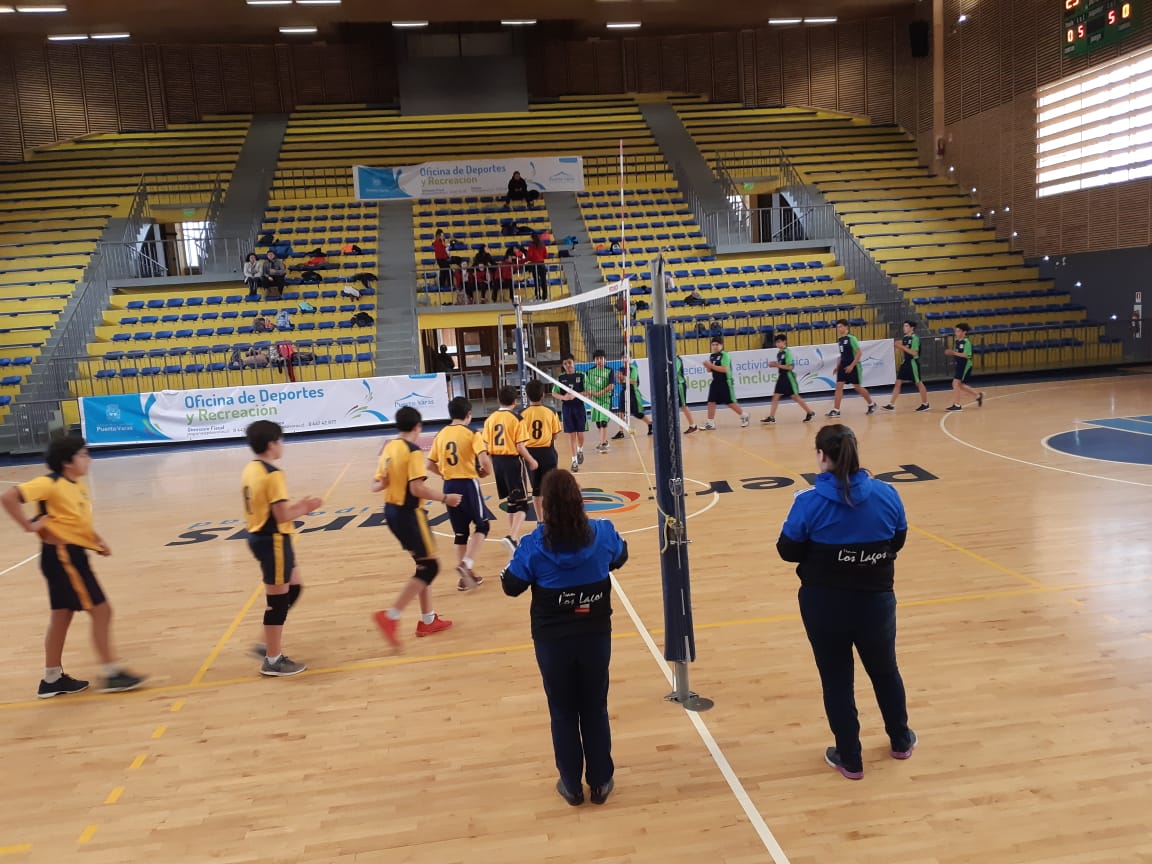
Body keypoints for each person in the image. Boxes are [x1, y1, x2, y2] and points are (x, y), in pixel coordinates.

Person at [776, 424, 916, 780]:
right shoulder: (887, 494)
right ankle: (901, 740)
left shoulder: (808, 502)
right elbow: (897, 541)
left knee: (837, 680)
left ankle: (850, 758)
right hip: (876, 602)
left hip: (824, 605)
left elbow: (787, 551)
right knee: (885, 671)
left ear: (821, 455)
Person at [500, 469, 628, 807]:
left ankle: (571, 784)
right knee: (594, 707)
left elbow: (511, 586)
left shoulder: (534, 545)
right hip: (594, 636)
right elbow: (620, 556)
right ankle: (600, 781)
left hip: (553, 642)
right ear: (579, 500)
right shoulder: (602, 533)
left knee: (562, 710)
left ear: (546, 505)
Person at [1, 436, 145, 698]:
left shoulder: (76, 485)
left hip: (69, 555)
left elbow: (75, 522)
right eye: (83, 455)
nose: (89, 459)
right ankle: (112, 674)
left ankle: (52, 680)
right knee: (102, 611)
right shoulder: (50, 483)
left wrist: (96, 540)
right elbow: (9, 496)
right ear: (67, 462)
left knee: (62, 615)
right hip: (63, 558)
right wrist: (28, 525)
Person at [372, 406, 463, 648]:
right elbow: (417, 489)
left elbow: (375, 485)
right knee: (430, 567)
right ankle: (392, 615)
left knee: (423, 564)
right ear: (417, 427)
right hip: (409, 514)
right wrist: (446, 498)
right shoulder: (412, 451)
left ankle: (428, 619)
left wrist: (389, 481)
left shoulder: (390, 447)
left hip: (391, 512)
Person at [241, 421, 323, 676]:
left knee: (294, 588)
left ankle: (266, 643)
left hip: (261, 537)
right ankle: (273, 660)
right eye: (280, 441)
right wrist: (306, 508)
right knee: (276, 603)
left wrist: (296, 506)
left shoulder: (251, 468)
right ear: (271, 444)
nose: (282, 445)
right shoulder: (274, 474)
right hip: (273, 541)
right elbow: (281, 515)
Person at [427, 396, 494, 591]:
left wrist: (444, 474)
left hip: (449, 487)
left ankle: (465, 579)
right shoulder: (471, 433)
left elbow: (429, 464)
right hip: (468, 484)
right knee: (483, 526)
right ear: (468, 414)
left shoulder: (440, 434)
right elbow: (485, 460)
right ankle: (467, 564)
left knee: (460, 533)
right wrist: (486, 472)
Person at [483, 386, 537, 553]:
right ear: (515, 401)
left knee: (511, 502)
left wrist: (488, 464)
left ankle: (513, 537)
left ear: (498, 400)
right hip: (512, 462)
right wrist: (531, 460)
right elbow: (520, 446)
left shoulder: (490, 419)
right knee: (522, 505)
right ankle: (512, 537)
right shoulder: (517, 419)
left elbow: (485, 445)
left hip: (497, 462)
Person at [520, 379, 562, 520]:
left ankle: (539, 520)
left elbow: (519, 437)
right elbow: (555, 434)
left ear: (527, 395)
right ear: (543, 395)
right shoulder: (551, 411)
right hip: (548, 453)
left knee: (536, 490)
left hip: (530, 454)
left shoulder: (521, 414)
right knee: (551, 488)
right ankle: (552, 518)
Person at [761, 333, 816, 424]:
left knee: (795, 397)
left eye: (779, 342)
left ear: (784, 342)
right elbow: (781, 364)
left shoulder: (787, 352)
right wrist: (775, 364)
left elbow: (790, 367)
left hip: (788, 377)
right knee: (776, 396)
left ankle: (809, 412)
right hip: (781, 376)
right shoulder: (779, 353)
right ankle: (771, 417)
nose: (777, 344)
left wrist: (776, 365)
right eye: (776, 342)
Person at [827, 319, 876, 417]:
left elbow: (859, 353)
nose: (838, 329)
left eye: (840, 326)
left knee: (857, 387)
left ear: (846, 327)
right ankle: (836, 410)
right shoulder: (840, 340)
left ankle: (871, 404)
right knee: (839, 387)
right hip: (843, 366)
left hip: (853, 366)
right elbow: (842, 355)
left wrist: (852, 366)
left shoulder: (852, 338)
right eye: (837, 327)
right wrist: (837, 366)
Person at [701, 337, 750, 429]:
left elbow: (725, 369)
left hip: (725, 381)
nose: (715, 346)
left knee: (730, 402)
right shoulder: (712, 356)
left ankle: (744, 415)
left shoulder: (725, 355)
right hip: (715, 381)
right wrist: (707, 366)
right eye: (713, 345)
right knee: (711, 402)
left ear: (721, 345)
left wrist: (710, 365)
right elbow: (710, 370)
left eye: (717, 344)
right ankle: (710, 423)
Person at [884, 321, 931, 412]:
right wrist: (898, 347)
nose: (904, 328)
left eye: (906, 326)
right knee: (898, 382)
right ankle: (891, 404)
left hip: (913, 362)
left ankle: (925, 404)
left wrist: (901, 346)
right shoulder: (905, 337)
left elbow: (914, 352)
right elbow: (905, 350)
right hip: (905, 362)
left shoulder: (915, 338)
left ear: (912, 328)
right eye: (904, 326)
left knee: (918, 383)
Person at [554, 353, 587, 472]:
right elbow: (554, 393)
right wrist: (564, 397)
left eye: (569, 362)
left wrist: (575, 395)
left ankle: (580, 450)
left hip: (579, 407)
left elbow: (587, 391)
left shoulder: (582, 375)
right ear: (563, 365)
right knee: (571, 435)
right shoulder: (560, 378)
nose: (568, 365)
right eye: (565, 363)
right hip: (567, 409)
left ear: (574, 362)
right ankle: (574, 461)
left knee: (580, 434)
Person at [611, 353, 652, 439]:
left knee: (637, 413)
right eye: (624, 357)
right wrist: (619, 378)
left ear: (631, 358)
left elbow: (633, 381)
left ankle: (650, 424)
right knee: (621, 411)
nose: (625, 359)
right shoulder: (620, 369)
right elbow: (621, 382)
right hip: (624, 391)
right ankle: (621, 432)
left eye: (627, 357)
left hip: (633, 392)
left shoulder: (633, 368)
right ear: (621, 359)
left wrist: (622, 377)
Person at [944, 322, 984, 411]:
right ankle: (978, 395)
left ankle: (957, 405)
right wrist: (953, 354)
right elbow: (957, 353)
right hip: (959, 364)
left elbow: (966, 355)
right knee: (960, 385)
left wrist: (953, 352)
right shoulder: (957, 341)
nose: (956, 333)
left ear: (964, 332)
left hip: (965, 364)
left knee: (955, 383)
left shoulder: (967, 342)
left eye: (958, 331)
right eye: (956, 331)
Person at [585, 349, 616, 452]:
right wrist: (590, 395)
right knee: (598, 423)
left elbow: (611, 386)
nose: (599, 360)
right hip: (595, 401)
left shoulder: (609, 370)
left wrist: (599, 393)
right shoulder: (589, 372)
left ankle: (603, 444)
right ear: (594, 360)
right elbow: (587, 385)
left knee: (603, 421)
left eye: (601, 358)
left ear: (605, 359)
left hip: (605, 400)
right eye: (597, 358)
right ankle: (604, 441)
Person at [676, 354, 699, 433]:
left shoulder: (676, 359)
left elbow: (674, 371)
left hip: (679, 385)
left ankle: (693, 425)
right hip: (673, 386)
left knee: (683, 406)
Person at [526, 233, 549, 302]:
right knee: (543, 281)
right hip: (541, 264)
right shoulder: (542, 245)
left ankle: (538, 296)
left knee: (536, 281)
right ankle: (545, 297)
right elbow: (546, 255)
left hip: (534, 264)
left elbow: (529, 256)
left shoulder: (531, 246)